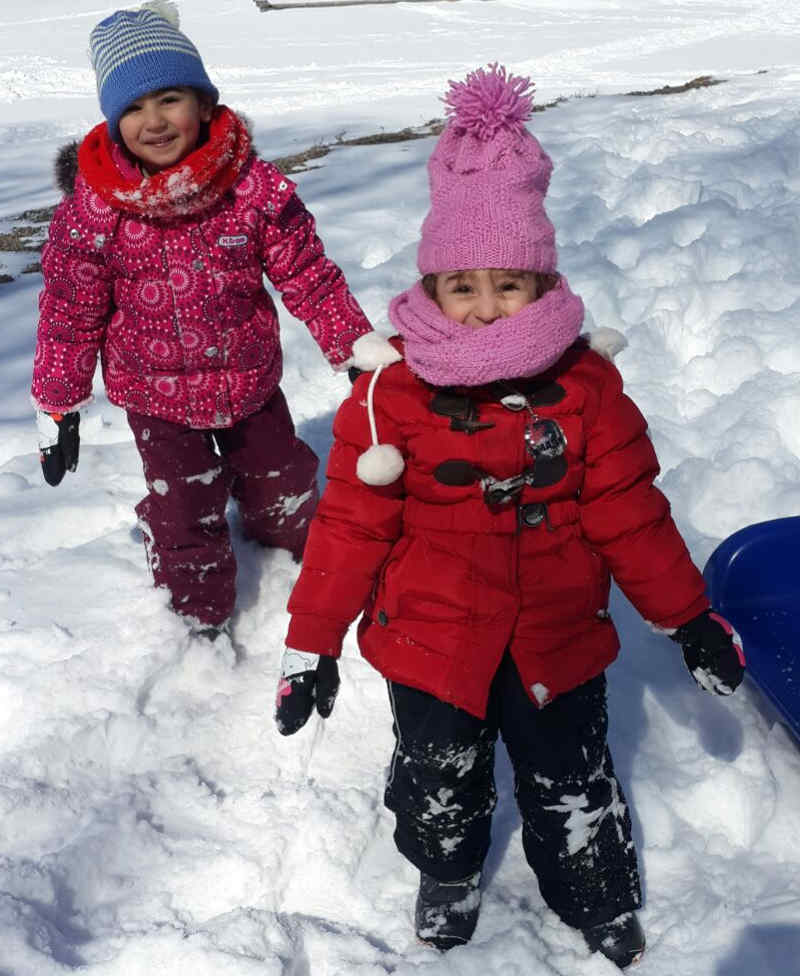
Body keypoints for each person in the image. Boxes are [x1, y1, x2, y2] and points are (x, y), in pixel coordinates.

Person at [275, 65, 745, 968]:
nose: (486, 307)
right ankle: (446, 870)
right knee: (438, 777)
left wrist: (688, 620)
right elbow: (348, 529)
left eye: (509, 285)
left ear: (542, 282)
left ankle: (593, 889)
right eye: (461, 286)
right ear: (432, 286)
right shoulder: (391, 395)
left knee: (571, 775)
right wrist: (311, 644)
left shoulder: (584, 388)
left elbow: (631, 514)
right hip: (430, 636)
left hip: (554, 635)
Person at [31, 0, 396, 636]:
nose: (154, 121)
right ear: (113, 123)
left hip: (251, 384)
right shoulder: (95, 211)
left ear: (202, 103)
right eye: (133, 109)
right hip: (157, 400)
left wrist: (352, 347)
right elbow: (70, 311)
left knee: (283, 487)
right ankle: (196, 620)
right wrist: (58, 401)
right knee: (186, 514)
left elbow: (306, 272)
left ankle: (285, 549)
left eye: (169, 98)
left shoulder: (249, 187)